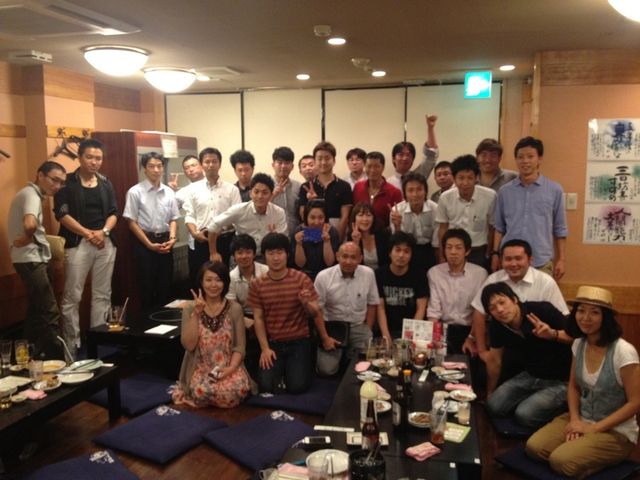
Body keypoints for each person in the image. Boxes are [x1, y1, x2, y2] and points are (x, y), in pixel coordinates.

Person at [526, 286, 640, 478]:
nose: (585, 318)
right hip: (583, 418)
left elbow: (636, 402)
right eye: (581, 310)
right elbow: (573, 386)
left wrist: (593, 429)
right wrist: (575, 420)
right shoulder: (579, 343)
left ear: (605, 317)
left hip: (616, 431)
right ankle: (579, 452)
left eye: (594, 312)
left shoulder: (623, 351)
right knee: (534, 448)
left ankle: (609, 459)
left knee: (560, 461)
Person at [466, 239, 570, 384]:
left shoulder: (545, 282)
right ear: (501, 261)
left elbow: (565, 321)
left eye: (518, 258)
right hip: (508, 347)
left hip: (543, 352)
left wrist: (552, 333)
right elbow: (479, 311)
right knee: (487, 381)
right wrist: (482, 350)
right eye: (508, 259)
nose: (513, 264)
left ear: (530, 260)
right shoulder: (494, 279)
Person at [247, 233, 333, 393]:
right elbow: (258, 318)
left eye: (280, 252)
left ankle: (291, 373)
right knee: (266, 386)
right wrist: (265, 349)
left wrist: (306, 303)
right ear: (264, 256)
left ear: (287, 254)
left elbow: (315, 313)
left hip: (299, 341)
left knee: (298, 386)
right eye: (271, 253)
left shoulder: (301, 279)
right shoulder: (257, 284)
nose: (276, 258)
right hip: (273, 342)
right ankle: (283, 373)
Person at [54, 138, 118, 353]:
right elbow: (61, 214)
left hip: (105, 242)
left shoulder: (105, 182)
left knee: (102, 294)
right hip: (77, 243)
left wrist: (103, 232)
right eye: (89, 157)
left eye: (98, 158)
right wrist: (87, 233)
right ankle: (72, 347)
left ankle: (97, 344)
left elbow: (114, 212)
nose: (94, 162)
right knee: (72, 296)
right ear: (80, 157)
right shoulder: (66, 182)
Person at [481, 282, 572, 427]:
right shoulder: (497, 325)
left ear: (514, 299)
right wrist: (490, 393)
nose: (500, 310)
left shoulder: (542, 310)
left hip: (561, 380)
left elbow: (575, 338)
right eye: (492, 308)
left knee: (524, 415)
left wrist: (553, 334)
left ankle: (565, 406)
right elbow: (495, 360)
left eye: (502, 302)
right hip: (530, 375)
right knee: (493, 406)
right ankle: (534, 401)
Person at [8, 160, 66, 359]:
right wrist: (29, 237)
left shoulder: (32, 194)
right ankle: (59, 362)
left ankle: (26, 358)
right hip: (31, 259)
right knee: (49, 312)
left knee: (35, 311)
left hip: (31, 258)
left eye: (61, 183)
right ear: (40, 175)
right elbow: (30, 224)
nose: (57, 186)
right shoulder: (31, 194)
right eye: (54, 180)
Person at [172, 261, 251, 408]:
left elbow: (240, 347)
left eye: (218, 280)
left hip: (228, 367)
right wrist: (196, 314)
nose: (213, 285)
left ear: (225, 283)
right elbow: (189, 346)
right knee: (201, 391)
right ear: (201, 282)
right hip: (200, 368)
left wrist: (231, 368)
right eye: (208, 280)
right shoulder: (190, 308)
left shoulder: (235, 308)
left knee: (236, 390)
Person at [492, 136, 568, 280]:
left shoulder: (554, 190)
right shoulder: (505, 191)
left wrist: (561, 260)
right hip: (510, 260)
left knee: (540, 295)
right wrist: (495, 254)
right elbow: (499, 227)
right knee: (510, 295)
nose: (525, 161)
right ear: (516, 159)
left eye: (530, 156)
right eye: (520, 157)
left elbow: (560, 229)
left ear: (540, 159)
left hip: (541, 260)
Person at [123, 152, 180, 309]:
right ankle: (147, 322)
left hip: (166, 242)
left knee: (165, 285)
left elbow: (174, 218)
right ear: (144, 168)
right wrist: (149, 244)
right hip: (144, 243)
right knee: (146, 287)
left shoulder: (169, 191)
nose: (156, 170)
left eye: (159, 166)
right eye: (151, 166)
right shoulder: (135, 192)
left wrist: (172, 239)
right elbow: (131, 222)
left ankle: (163, 320)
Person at [315, 242, 379, 376]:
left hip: (358, 326)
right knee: (327, 370)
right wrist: (325, 337)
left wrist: (367, 329)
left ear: (360, 259)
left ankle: (349, 356)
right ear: (337, 256)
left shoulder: (368, 274)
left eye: (353, 257)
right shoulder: (323, 276)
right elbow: (317, 310)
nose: (348, 261)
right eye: (344, 256)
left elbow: (372, 304)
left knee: (369, 366)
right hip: (333, 327)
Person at [183, 147, 241, 281]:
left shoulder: (232, 190)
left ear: (219, 164)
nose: (210, 165)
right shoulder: (192, 189)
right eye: (207, 162)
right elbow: (189, 215)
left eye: (214, 161)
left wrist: (218, 229)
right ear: (201, 164)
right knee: (198, 278)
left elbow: (236, 217)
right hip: (200, 240)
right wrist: (194, 233)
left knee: (222, 279)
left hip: (224, 241)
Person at [427, 229, 487, 354]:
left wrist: (471, 337)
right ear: (443, 250)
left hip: (471, 330)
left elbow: (480, 311)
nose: (453, 252)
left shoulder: (480, 274)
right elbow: (434, 310)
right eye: (449, 247)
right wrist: (435, 337)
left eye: (458, 248)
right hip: (442, 329)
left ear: (467, 251)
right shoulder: (434, 273)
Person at [208, 173, 287, 261]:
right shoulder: (239, 210)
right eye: (256, 192)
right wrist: (213, 253)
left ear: (271, 195)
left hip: (266, 257)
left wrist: (274, 236)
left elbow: (282, 240)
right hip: (243, 256)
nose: (260, 196)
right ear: (250, 194)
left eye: (265, 193)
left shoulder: (278, 213)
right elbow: (213, 225)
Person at [436, 154, 496, 268]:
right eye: (461, 178)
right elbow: (443, 227)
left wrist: (489, 253)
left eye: (470, 178)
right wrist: (442, 254)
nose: (465, 183)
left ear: (477, 178)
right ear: (454, 179)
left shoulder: (490, 196)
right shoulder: (445, 197)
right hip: (454, 250)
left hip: (479, 250)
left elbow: (492, 227)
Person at [376, 232, 428, 342]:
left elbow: (421, 308)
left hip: (412, 330)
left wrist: (410, 337)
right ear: (390, 253)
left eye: (406, 251)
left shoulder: (420, 275)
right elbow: (380, 308)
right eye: (397, 250)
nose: (401, 255)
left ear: (411, 255)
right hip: (386, 329)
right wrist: (386, 336)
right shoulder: (379, 274)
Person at [298, 141, 352, 241]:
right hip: (312, 234)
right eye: (319, 159)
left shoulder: (344, 186)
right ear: (315, 161)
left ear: (334, 161)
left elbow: (345, 217)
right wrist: (311, 202)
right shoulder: (306, 187)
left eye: (327, 158)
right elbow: (303, 215)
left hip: (337, 230)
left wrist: (337, 241)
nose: (323, 162)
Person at [390, 171, 438, 273]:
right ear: (405, 193)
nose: (415, 194)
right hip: (407, 250)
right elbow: (397, 241)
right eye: (410, 190)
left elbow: (437, 241)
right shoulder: (397, 210)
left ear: (425, 191)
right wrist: (397, 226)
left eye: (419, 189)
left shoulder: (435, 209)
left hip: (429, 249)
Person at [388, 114, 439, 191]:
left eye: (408, 155)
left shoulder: (419, 176)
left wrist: (430, 128)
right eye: (401, 154)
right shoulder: (387, 183)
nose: (405, 158)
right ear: (393, 159)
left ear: (412, 160)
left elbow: (431, 156)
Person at [352, 151, 403, 228]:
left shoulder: (394, 192)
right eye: (369, 166)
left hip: (384, 234)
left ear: (383, 168)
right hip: (359, 233)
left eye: (376, 166)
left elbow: (397, 222)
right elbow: (353, 214)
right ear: (364, 167)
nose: (372, 170)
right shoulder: (358, 187)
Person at [291, 199, 339, 280]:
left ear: (325, 218)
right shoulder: (298, 231)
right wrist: (299, 244)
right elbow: (300, 264)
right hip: (305, 275)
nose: (316, 222)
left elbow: (329, 263)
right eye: (312, 218)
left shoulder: (332, 232)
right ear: (306, 217)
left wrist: (327, 242)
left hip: (327, 275)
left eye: (320, 218)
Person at [226, 234, 268, 322]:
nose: (244, 256)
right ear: (233, 256)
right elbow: (232, 306)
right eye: (240, 253)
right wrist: (246, 321)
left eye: (248, 252)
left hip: (266, 313)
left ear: (254, 254)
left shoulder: (266, 270)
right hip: (243, 316)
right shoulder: (231, 277)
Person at [347, 202, 390, 270]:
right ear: (354, 219)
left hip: (382, 273)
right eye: (360, 215)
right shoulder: (351, 235)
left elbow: (388, 261)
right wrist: (356, 242)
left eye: (368, 215)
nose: (365, 219)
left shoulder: (383, 234)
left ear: (373, 218)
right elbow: (352, 263)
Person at [271, 146, 301, 235]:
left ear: (292, 166)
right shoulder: (266, 186)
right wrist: (273, 194)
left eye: (287, 163)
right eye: (279, 163)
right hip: (273, 234)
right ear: (273, 165)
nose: (283, 166)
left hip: (295, 234)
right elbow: (257, 208)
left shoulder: (298, 186)